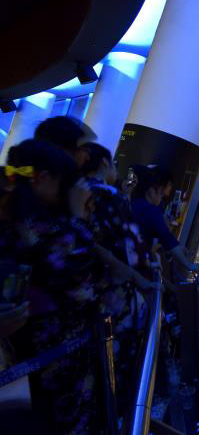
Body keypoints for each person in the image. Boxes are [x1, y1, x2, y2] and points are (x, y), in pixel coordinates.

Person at [5, 139, 104, 434]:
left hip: (26, 357)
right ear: (44, 178)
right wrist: (77, 218)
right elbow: (81, 280)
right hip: (50, 359)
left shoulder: (15, 216)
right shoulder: (40, 228)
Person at [78, 142, 155, 412]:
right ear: (102, 164)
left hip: (86, 295)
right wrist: (141, 277)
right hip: (115, 298)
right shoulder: (110, 197)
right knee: (114, 369)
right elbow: (129, 249)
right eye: (113, 164)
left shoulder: (74, 193)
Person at [130, 165, 198, 272]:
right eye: (161, 195)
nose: (161, 198)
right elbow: (167, 238)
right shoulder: (152, 211)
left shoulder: (132, 203)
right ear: (153, 189)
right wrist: (190, 265)